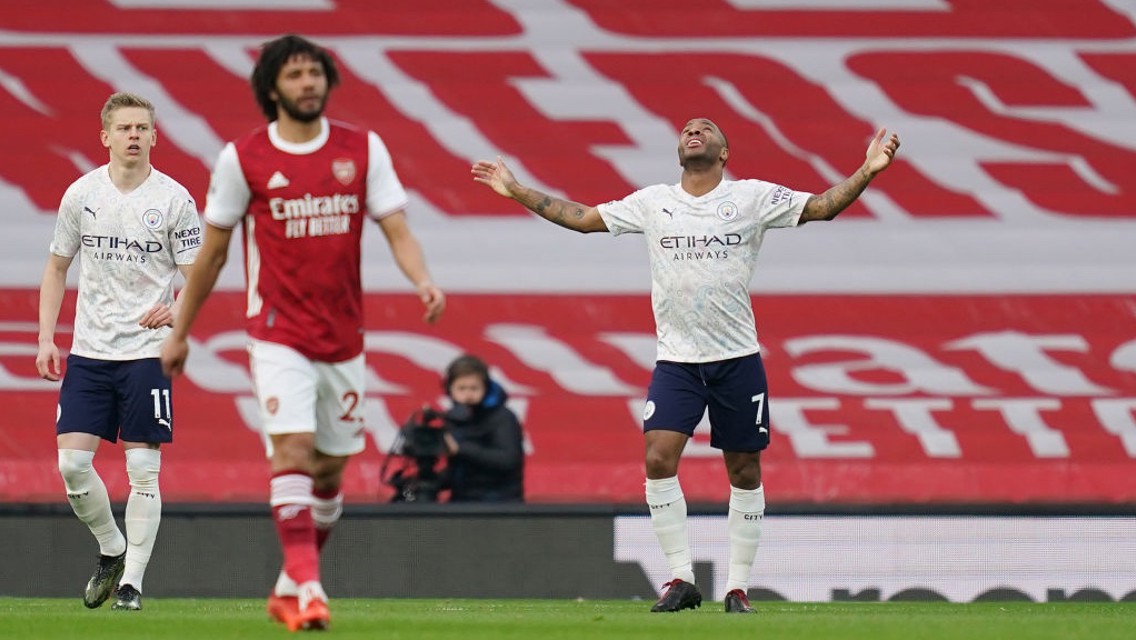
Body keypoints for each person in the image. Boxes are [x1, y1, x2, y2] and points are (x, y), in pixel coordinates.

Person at [471, 118, 900, 613]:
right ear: (679, 150)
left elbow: (822, 207)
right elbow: (584, 217)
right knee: (657, 457)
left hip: (736, 359)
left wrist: (868, 170)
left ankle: (737, 588)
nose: (694, 131)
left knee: (744, 468)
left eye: (706, 128)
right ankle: (680, 578)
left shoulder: (752, 197)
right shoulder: (654, 202)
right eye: (687, 129)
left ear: (724, 152)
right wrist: (517, 190)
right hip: (677, 360)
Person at [159, 34, 445, 631]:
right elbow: (212, 254)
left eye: (314, 72)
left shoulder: (362, 148)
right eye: (294, 75)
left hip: (343, 337)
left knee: (330, 473)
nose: (308, 83)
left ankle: (288, 586)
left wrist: (422, 280)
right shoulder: (243, 158)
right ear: (272, 88)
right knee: (291, 450)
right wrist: (180, 332)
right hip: (276, 332)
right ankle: (312, 589)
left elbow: (397, 229)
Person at [36, 92, 201, 612]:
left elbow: (197, 276)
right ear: (105, 136)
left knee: (143, 470)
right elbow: (57, 267)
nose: (134, 135)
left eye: (142, 128)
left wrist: (176, 310)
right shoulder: (82, 194)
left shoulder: (174, 199)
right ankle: (112, 547)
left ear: (154, 136)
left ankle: (132, 583)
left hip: (147, 353)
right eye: (125, 128)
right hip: (90, 350)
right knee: (72, 465)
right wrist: (45, 337)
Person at [439, 354, 525, 503]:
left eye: (474, 388)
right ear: (450, 390)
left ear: (485, 388)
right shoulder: (454, 417)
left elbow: (508, 460)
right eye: (461, 388)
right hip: (462, 500)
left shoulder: (503, 417)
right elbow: (461, 470)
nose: (468, 394)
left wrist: (460, 449)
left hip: (499, 502)